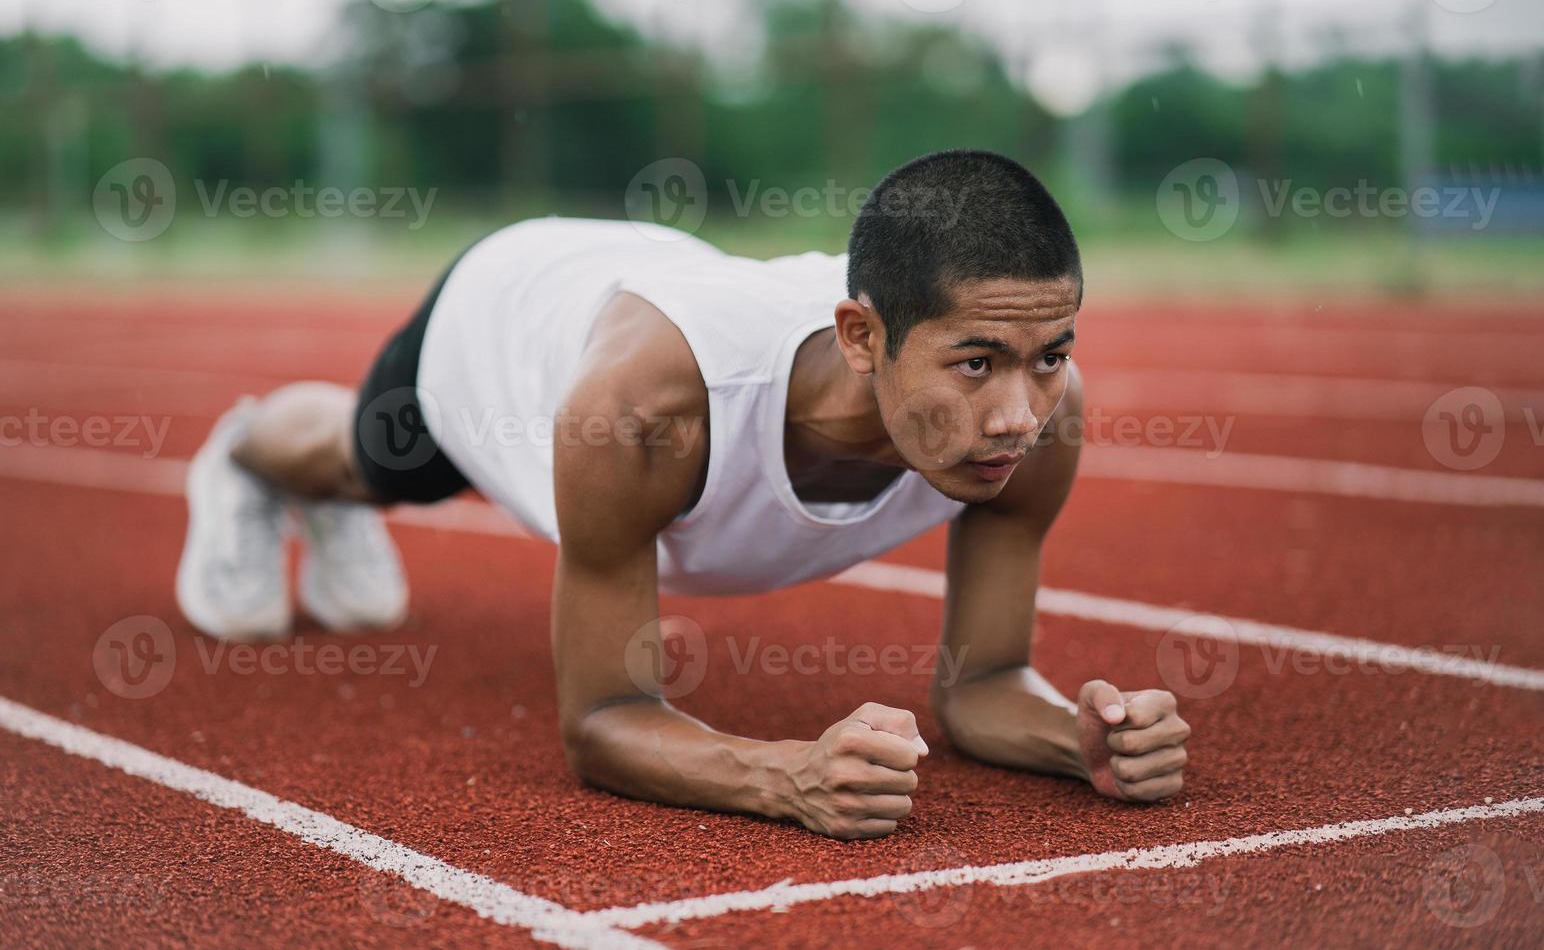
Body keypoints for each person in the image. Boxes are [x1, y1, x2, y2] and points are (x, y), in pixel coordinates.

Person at [176, 149, 1191, 840]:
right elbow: (604, 716)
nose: (1019, 411)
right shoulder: (644, 411)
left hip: (667, 282)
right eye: (975, 365)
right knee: (372, 458)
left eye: (1048, 354)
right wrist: (781, 775)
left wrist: (1078, 739)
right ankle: (243, 456)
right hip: (514, 311)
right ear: (860, 338)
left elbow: (981, 684)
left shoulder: (1041, 418)